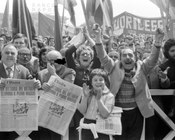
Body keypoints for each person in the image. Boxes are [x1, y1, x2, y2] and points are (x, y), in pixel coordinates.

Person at [93, 25, 165, 140]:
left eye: (130, 55)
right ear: (120, 59)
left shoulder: (142, 67)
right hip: (117, 112)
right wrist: (98, 38)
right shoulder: (113, 66)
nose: (127, 58)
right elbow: (102, 56)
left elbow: (153, 59)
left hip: (137, 112)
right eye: (124, 55)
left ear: (135, 58)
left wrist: (157, 42)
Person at [0, 44, 41, 140]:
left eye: (12, 53)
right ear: (1, 54)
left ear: (16, 56)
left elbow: (32, 84)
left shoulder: (24, 70)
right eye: (7, 52)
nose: (10, 55)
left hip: (17, 117)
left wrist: (37, 84)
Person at [33, 50, 75, 140]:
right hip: (44, 116)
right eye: (50, 60)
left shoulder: (69, 72)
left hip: (60, 115)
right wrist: (41, 88)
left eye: (56, 60)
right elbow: (38, 94)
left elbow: (68, 89)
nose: (53, 63)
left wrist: (53, 73)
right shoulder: (41, 73)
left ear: (61, 60)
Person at [78, 68, 114, 140]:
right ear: (91, 82)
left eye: (101, 80)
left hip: (102, 127)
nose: (98, 82)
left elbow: (105, 114)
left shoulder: (110, 96)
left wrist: (99, 100)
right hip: (87, 126)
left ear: (105, 82)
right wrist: (85, 97)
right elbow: (82, 111)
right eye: (95, 80)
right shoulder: (87, 93)